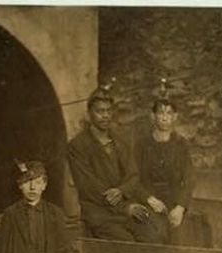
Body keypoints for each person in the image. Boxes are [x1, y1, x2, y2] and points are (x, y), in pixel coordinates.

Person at [68, 86, 158, 242]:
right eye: (100, 111)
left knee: (152, 236)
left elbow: (133, 175)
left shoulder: (121, 142)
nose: (105, 116)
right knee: (125, 243)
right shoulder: (78, 146)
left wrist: (121, 190)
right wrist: (125, 208)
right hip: (98, 213)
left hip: (126, 208)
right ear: (89, 114)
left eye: (108, 111)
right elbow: (88, 187)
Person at [135, 97, 195, 244]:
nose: (164, 118)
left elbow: (189, 178)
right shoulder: (142, 144)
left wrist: (180, 207)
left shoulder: (181, 145)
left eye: (169, 113)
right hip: (150, 202)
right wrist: (148, 198)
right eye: (161, 113)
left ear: (175, 117)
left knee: (183, 239)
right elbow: (133, 178)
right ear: (153, 116)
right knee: (154, 235)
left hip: (174, 203)